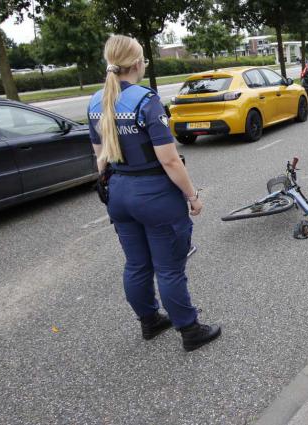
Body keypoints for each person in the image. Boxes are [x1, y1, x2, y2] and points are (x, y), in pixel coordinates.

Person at [87, 35, 221, 352]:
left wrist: (113, 189)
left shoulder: (96, 102)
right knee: (169, 268)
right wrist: (192, 196)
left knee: (136, 265)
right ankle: (190, 330)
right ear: (137, 63)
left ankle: (150, 321)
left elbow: (100, 158)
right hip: (154, 194)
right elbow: (170, 159)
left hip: (118, 191)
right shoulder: (147, 102)